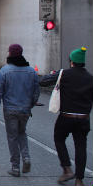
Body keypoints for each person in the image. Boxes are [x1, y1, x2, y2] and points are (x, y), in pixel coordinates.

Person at [40, 47, 93, 186]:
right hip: (83, 118)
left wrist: (51, 75)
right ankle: (79, 180)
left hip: (66, 117)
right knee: (81, 146)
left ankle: (67, 169)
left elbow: (44, 81)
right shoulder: (90, 78)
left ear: (72, 62)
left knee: (59, 138)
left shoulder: (63, 74)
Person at [0, 44, 40, 177]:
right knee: (22, 133)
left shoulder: (5, 71)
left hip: (10, 109)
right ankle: (26, 157)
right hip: (25, 109)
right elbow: (36, 91)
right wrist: (31, 104)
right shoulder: (31, 71)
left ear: (10, 54)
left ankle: (15, 167)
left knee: (12, 137)